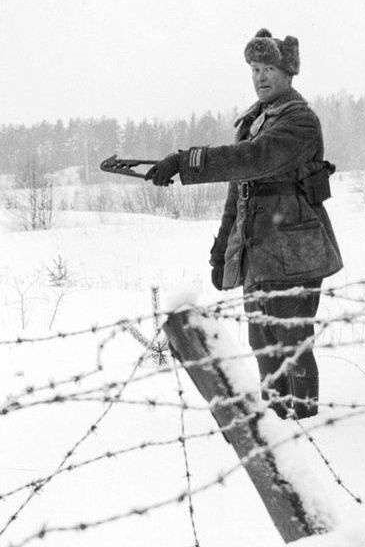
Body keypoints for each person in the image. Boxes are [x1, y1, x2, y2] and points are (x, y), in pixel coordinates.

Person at [145, 28, 342, 420]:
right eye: (254, 68)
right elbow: (239, 194)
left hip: (296, 249)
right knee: (263, 342)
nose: (260, 77)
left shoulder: (299, 120)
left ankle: (305, 424)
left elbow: (254, 159)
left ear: (288, 73)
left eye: (268, 67)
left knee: (291, 341)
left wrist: (188, 162)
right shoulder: (254, 120)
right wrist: (222, 252)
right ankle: (277, 421)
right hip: (259, 251)